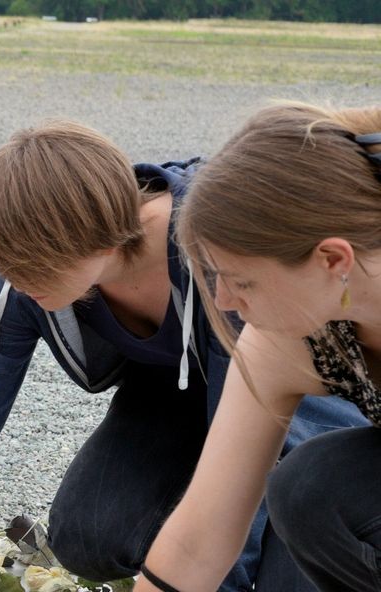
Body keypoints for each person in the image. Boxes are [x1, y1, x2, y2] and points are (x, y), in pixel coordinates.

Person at [0, 121, 365, 592]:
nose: (19, 283)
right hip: (175, 397)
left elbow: (245, 464)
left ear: (89, 234)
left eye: (33, 266)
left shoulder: (217, 264)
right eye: (8, 265)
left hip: (281, 411)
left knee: (286, 566)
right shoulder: (27, 281)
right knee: (87, 534)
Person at [138, 103, 381, 591]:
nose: (224, 300)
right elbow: (199, 536)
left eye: (241, 281)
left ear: (332, 259)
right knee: (312, 487)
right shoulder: (293, 337)